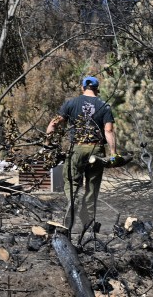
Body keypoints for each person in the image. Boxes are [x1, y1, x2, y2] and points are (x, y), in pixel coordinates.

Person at [45, 75, 117, 232]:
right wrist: (113, 154)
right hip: (96, 150)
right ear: (97, 89)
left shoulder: (71, 103)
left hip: (76, 149)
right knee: (92, 189)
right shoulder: (104, 105)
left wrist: (47, 142)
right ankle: (89, 224)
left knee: (71, 183)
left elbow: (54, 123)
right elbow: (109, 130)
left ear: (82, 88)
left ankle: (73, 205)